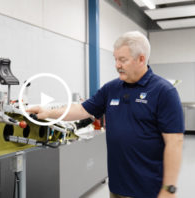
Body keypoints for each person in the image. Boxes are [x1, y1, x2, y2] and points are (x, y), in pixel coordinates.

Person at [27, 31, 184, 198]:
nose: (117, 65)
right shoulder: (111, 88)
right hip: (117, 187)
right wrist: (49, 112)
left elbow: (174, 142)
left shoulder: (164, 91)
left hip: (149, 190)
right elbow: (81, 110)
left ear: (141, 59)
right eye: (115, 59)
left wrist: (169, 189)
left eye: (122, 60)